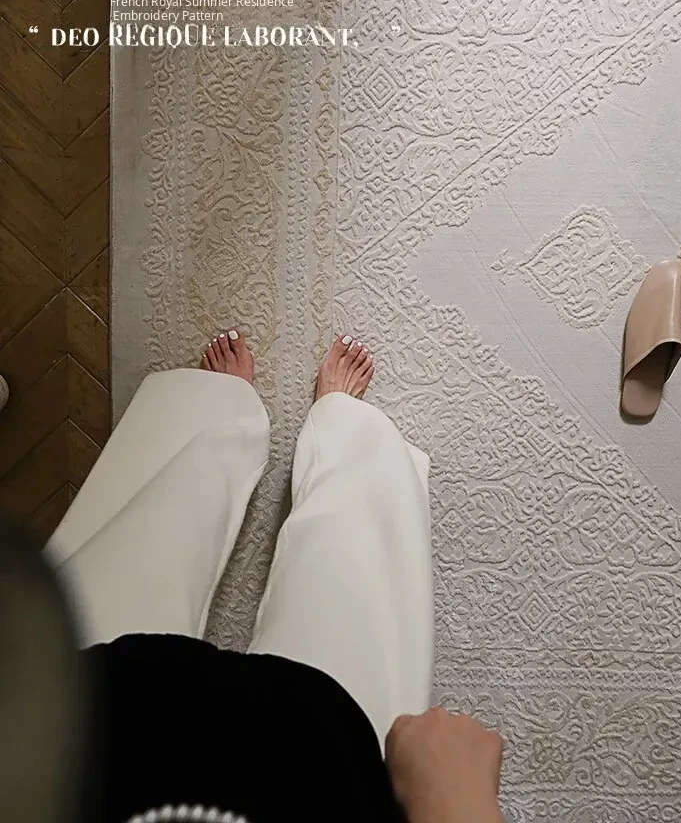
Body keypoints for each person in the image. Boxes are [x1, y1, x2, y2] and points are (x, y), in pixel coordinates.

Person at [40, 331, 505, 822]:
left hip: (82, 732)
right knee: (354, 565)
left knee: (151, 528)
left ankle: (220, 417)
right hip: (320, 771)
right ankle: (339, 436)